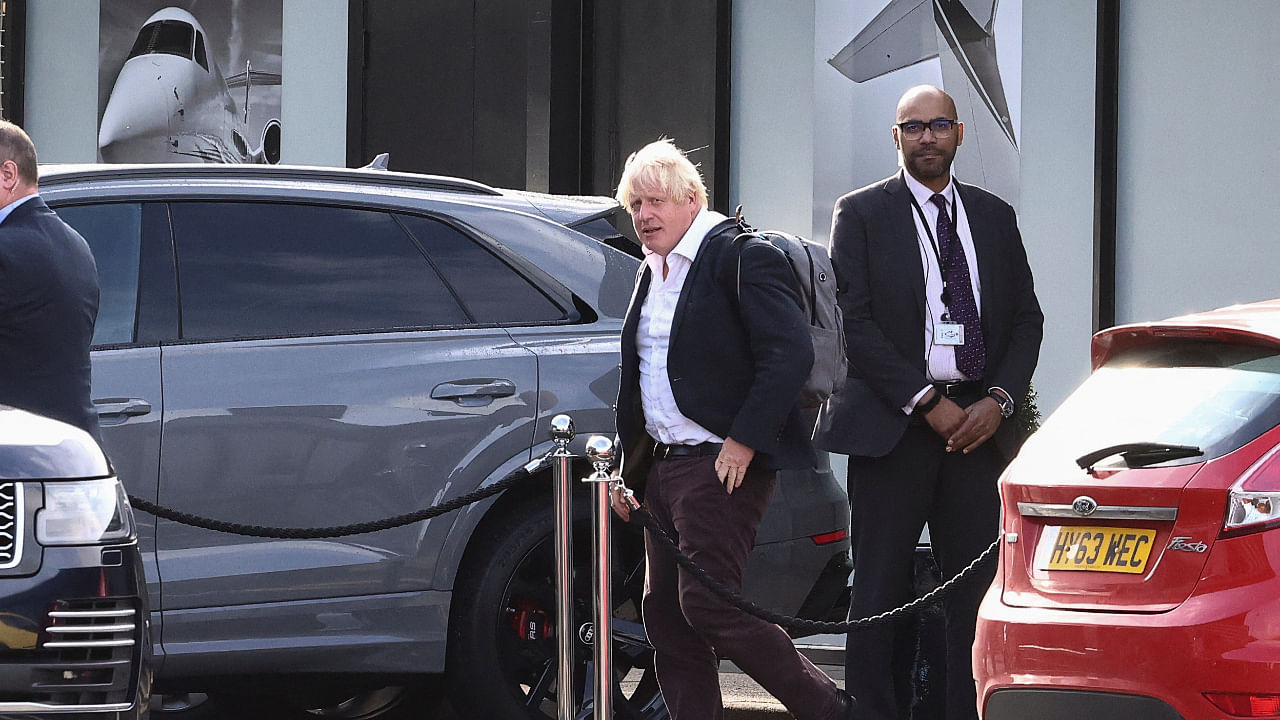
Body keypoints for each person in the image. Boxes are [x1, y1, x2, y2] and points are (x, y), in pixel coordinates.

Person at [609, 138, 860, 720]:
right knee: (666, 617)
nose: (644, 216)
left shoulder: (740, 255)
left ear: (691, 200)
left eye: (655, 202)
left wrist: (744, 440)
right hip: (664, 468)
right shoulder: (654, 269)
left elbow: (788, 354)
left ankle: (833, 708)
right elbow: (643, 373)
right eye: (635, 205)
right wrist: (632, 471)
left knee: (709, 605)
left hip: (720, 463)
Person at [814, 85, 1043, 720]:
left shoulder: (994, 216)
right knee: (880, 592)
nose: (926, 137)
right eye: (912, 127)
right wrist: (925, 400)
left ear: (959, 133)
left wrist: (998, 399)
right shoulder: (859, 214)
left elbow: (1027, 320)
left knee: (975, 594)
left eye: (938, 125)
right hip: (894, 429)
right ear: (896, 138)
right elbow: (852, 324)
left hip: (977, 432)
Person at [0, 121, 102, 442]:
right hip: (75, 451)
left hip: (20, 458)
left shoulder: (6, 249)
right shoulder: (78, 246)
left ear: (8, 175)